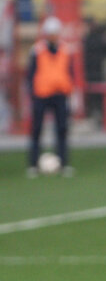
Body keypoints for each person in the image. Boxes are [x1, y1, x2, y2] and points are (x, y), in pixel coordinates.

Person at [26, 16, 74, 178]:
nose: (53, 36)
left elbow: (70, 72)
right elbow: (31, 73)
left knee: (61, 129)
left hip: (60, 94)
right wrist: (32, 92)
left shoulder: (66, 50)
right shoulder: (37, 50)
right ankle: (33, 164)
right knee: (36, 129)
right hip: (41, 94)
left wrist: (69, 89)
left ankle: (63, 163)